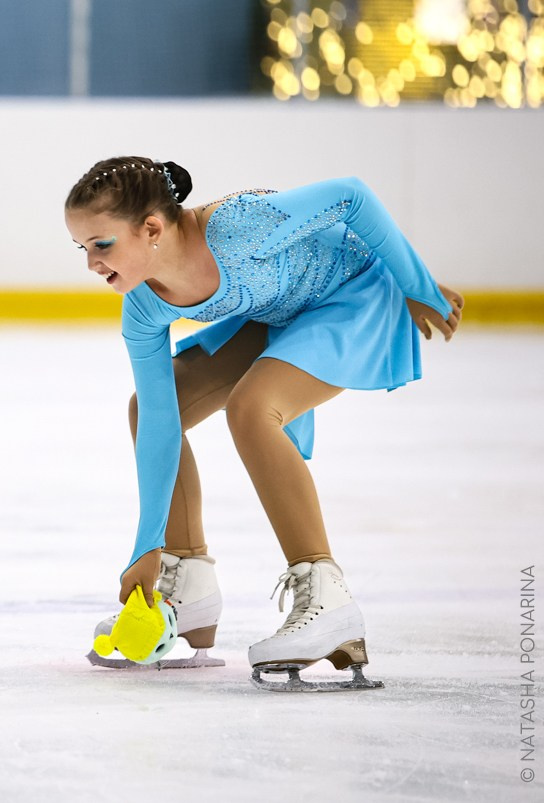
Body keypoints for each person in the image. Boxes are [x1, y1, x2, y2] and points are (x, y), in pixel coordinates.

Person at [64, 157, 462, 690]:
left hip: (353, 294)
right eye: (82, 248)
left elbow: (351, 194)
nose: (91, 262)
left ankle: (326, 594)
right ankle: (190, 584)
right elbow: (161, 421)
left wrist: (420, 287)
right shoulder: (142, 305)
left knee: (252, 409)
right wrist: (147, 547)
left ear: (152, 228)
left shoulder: (238, 227)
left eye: (102, 244)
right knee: (152, 406)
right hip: (279, 311)